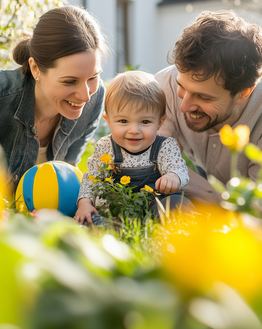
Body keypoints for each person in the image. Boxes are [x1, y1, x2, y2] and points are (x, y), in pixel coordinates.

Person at [155, 10, 262, 216]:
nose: (183, 106)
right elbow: (149, 161)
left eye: (204, 97)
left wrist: (206, 195)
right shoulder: (164, 84)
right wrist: (213, 196)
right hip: (203, 173)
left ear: (243, 93)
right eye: (182, 87)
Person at [0, 6, 107, 187]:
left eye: (93, 77)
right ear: (35, 68)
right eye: (70, 81)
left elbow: (66, 176)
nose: (85, 96)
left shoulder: (95, 98)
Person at [74, 71, 191, 225]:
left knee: (177, 203)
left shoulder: (165, 146)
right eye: (123, 121)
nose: (134, 130)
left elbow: (179, 168)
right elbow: (92, 178)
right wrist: (85, 203)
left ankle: (164, 229)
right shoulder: (106, 147)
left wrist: (174, 177)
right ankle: (110, 230)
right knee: (88, 220)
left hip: (154, 208)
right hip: (116, 212)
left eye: (145, 122)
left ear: (160, 122)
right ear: (108, 121)